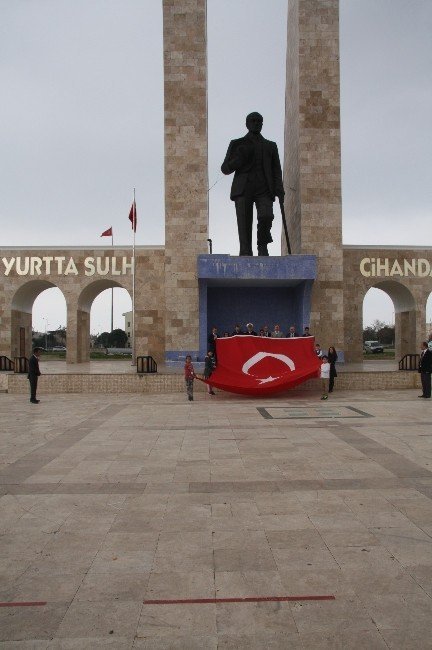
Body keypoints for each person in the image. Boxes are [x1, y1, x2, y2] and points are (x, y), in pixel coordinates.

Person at [221, 112, 284, 256]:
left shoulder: (271, 146)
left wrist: (279, 188)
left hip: (264, 187)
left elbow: (276, 170)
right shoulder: (237, 143)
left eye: (259, 121)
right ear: (247, 124)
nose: (256, 123)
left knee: (266, 216)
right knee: (244, 222)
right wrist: (239, 159)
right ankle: (245, 251)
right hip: (244, 188)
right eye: (253, 121)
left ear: (262, 124)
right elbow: (225, 168)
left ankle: (262, 245)